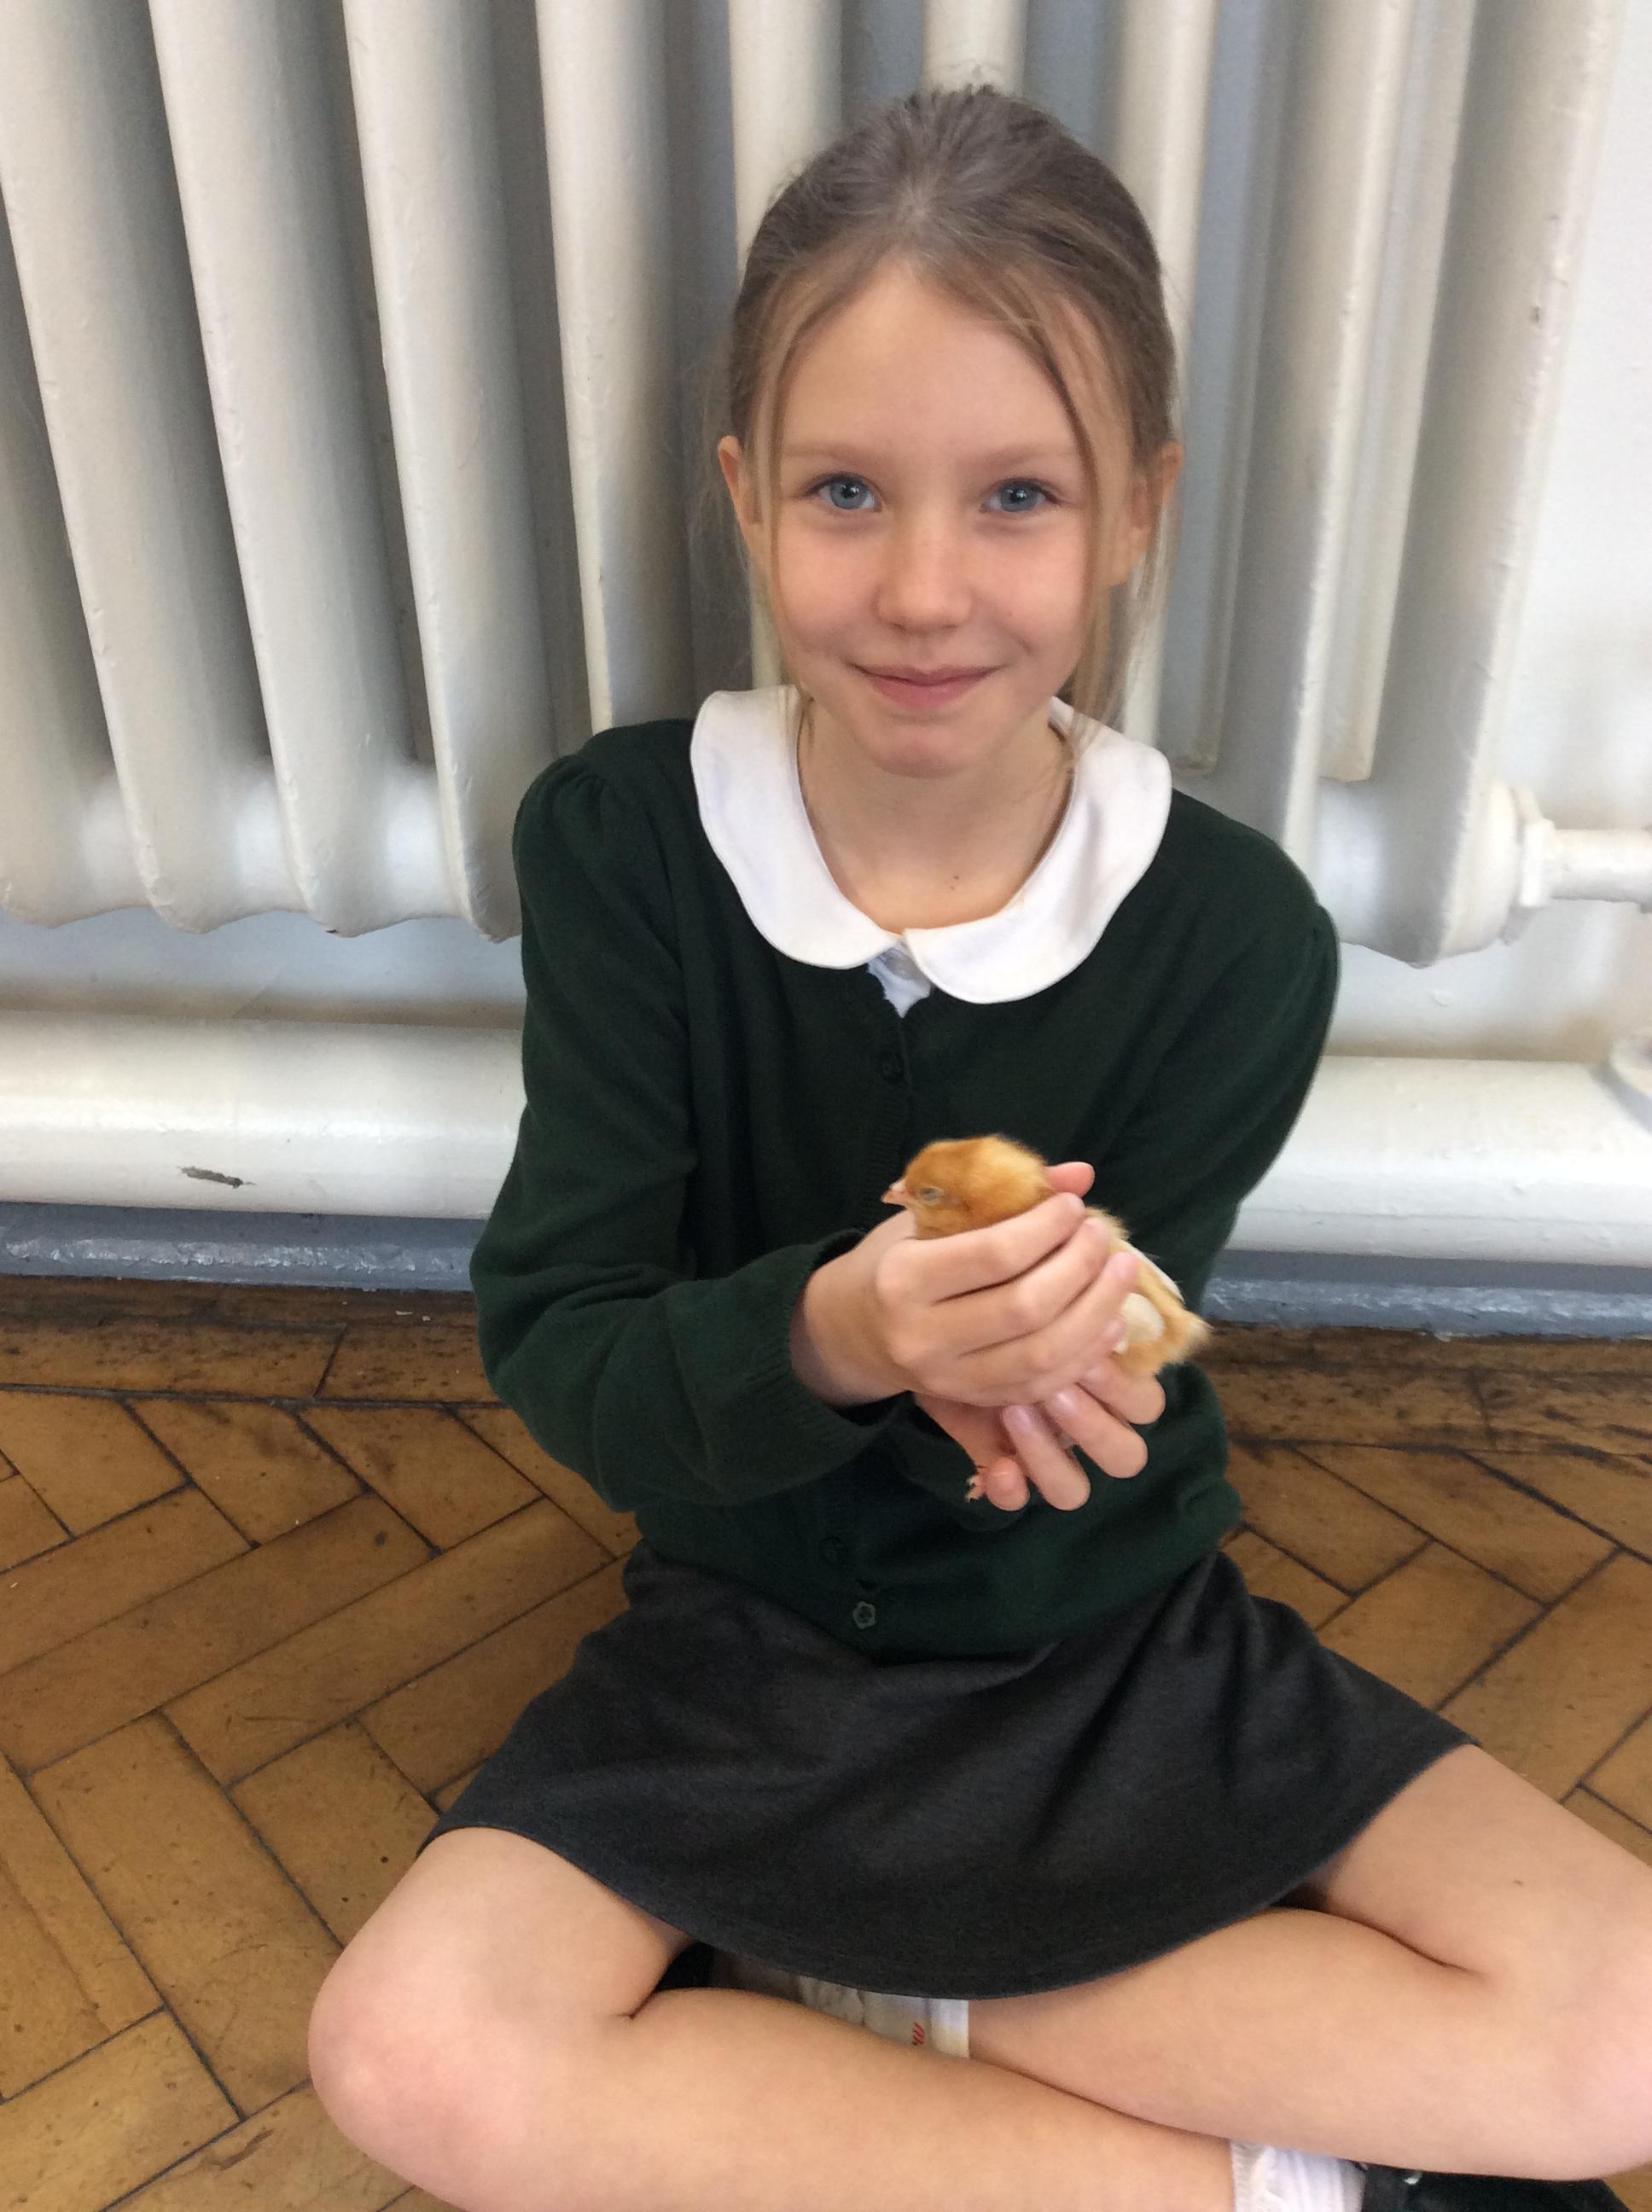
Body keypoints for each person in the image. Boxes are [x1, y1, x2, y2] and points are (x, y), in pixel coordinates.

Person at [307, 82, 1652, 2212]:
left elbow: (1090, 1409)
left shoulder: (1231, 935)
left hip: (1103, 1648)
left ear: (1133, 513)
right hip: (743, 1655)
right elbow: (568, 1344)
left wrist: (1042, 1370)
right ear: (745, 498)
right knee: (407, 2053)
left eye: (1016, 496)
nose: (924, 590)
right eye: (845, 491)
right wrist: (837, 1335)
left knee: (1623, 2037)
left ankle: (865, 1995)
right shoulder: (624, 843)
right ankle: (1266, 2187)